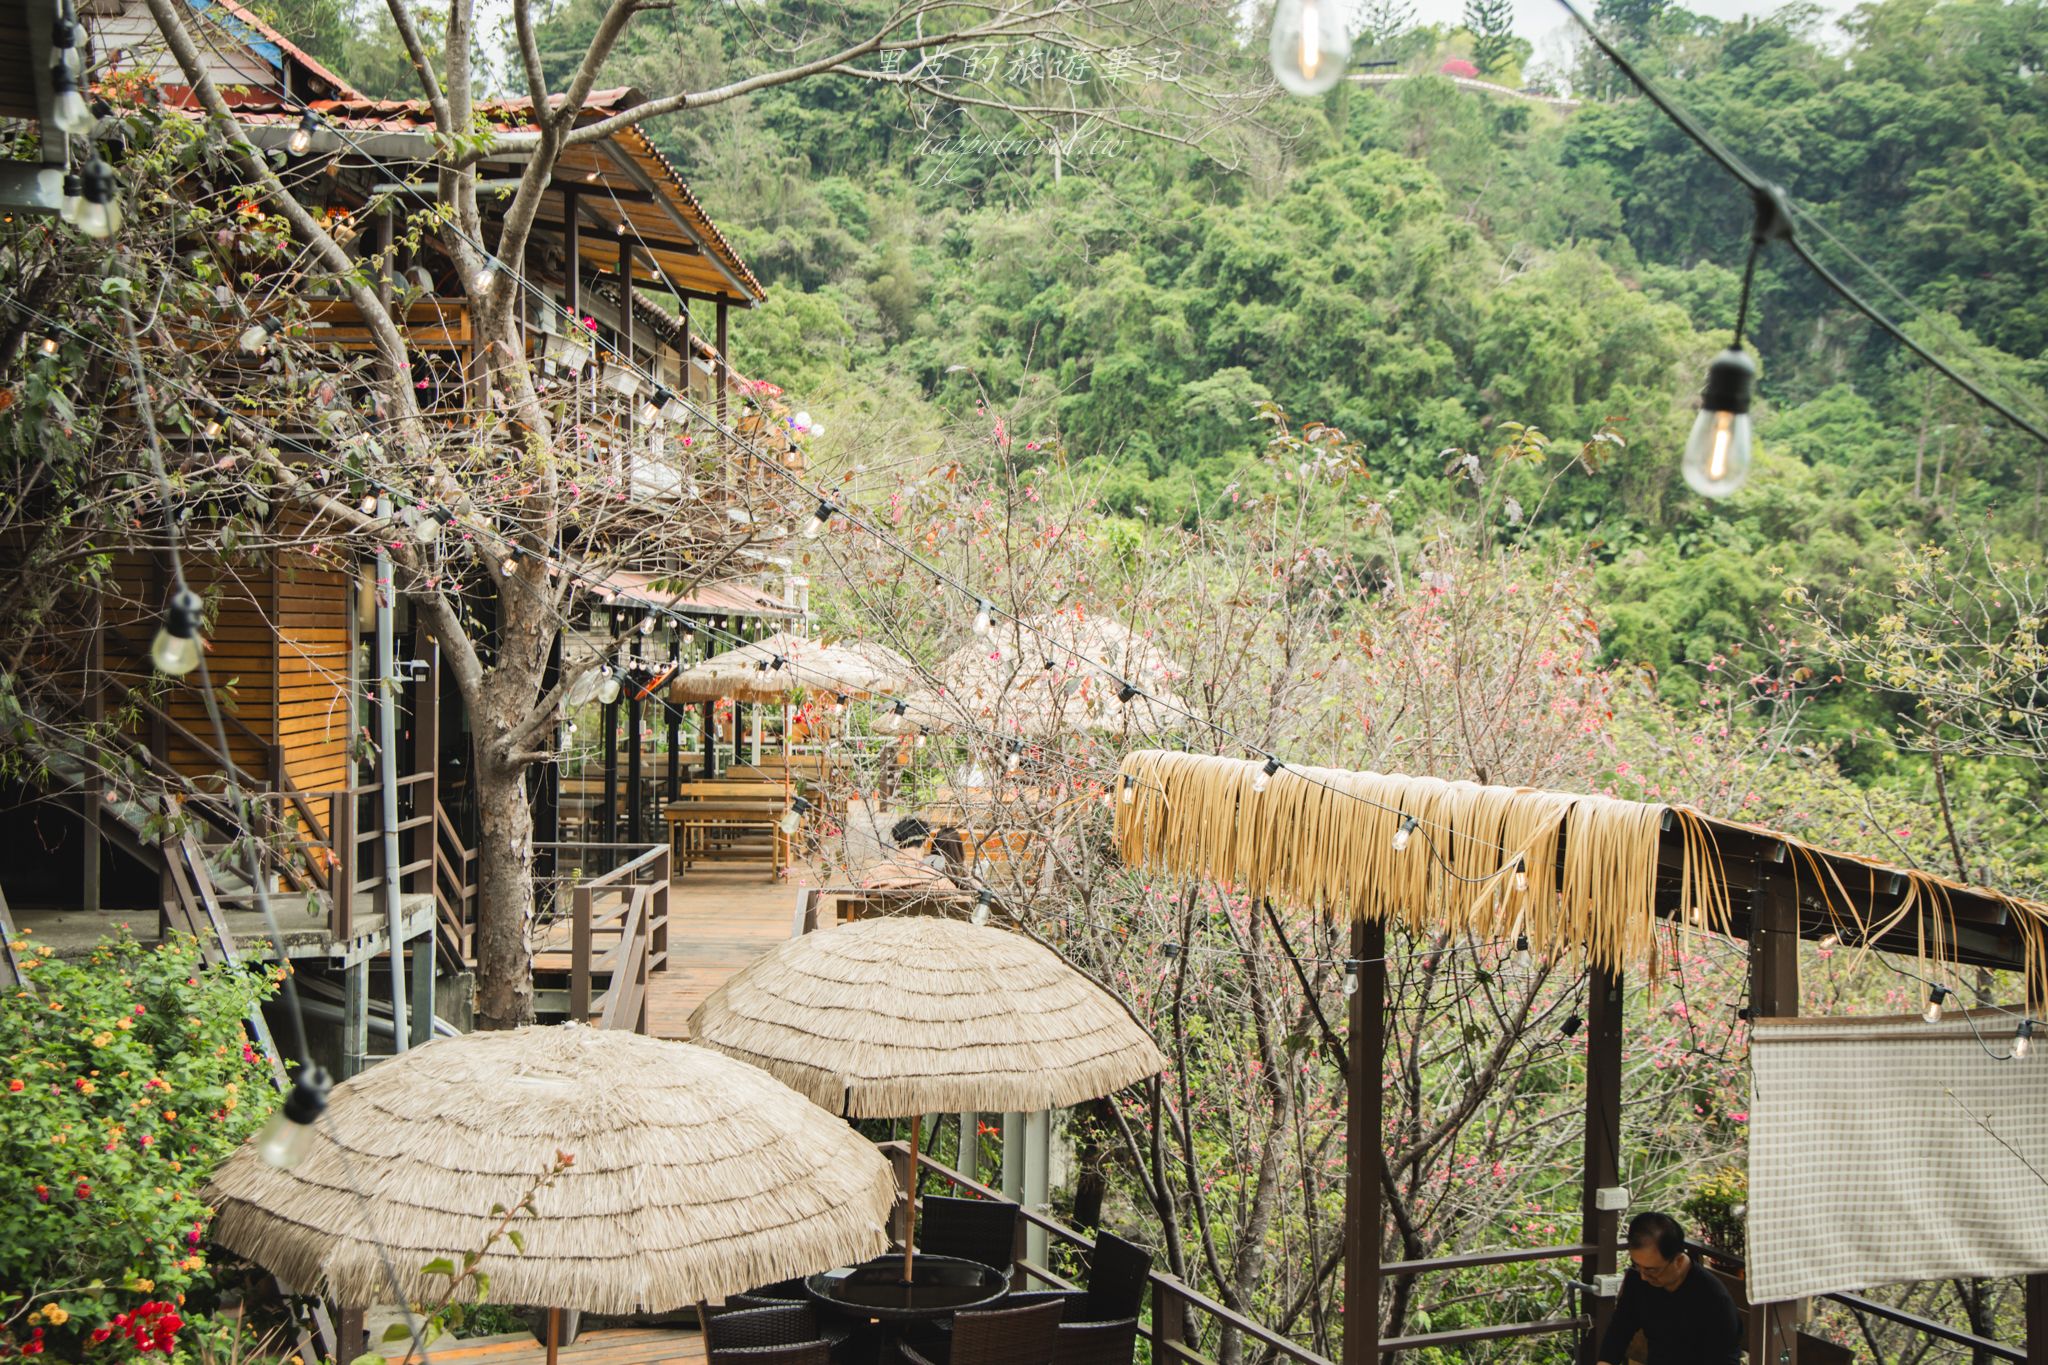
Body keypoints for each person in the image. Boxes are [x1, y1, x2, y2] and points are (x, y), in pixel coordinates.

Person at [1596, 1211, 1741, 1365]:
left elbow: (1724, 1358)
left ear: (1678, 1261)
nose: (1643, 1276)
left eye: (1651, 1270)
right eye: (1637, 1265)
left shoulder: (1713, 1298)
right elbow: (1620, 1329)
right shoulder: (1638, 1278)